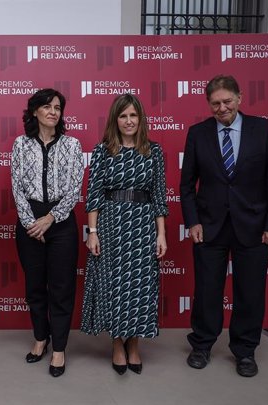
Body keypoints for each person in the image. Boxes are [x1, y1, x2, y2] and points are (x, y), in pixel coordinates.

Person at [180, 75, 268, 377]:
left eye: (227, 101)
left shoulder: (263, 130)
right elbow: (186, 184)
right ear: (208, 104)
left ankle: (245, 351)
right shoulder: (198, 134)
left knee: (250, 292)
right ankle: (201, 345)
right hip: (209, 226)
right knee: (207, 290)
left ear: (239, 98)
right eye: (215, 103)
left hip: (253, 225)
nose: (222, 107)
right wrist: (193, 221)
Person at [80, 93, 168, 375]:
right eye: (123, 116)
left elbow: (159, 196)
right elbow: (93, 195)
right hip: (111, 226)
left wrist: (161, 234)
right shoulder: (103, 151)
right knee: (115, 287)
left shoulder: (154, 152)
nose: (128, 121)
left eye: (133, 115)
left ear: (140, 119)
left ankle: (134, 345)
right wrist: (92, 232)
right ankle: (118, 344)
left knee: (140, 287)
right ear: (115, 120)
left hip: (143, 227)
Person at [10, 88, 84, 378]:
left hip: (61, 223)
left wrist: (50, 219)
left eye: (58, 107)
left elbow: (75, 188)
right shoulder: (20, 144)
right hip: (29, 223)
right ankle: (41, 338)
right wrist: (32, 222)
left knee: (62, 288)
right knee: (35, 288)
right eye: (47, 106)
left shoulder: (73, 145)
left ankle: (59, 348)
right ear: (35, 112)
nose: (53, 111)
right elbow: (16, 186)